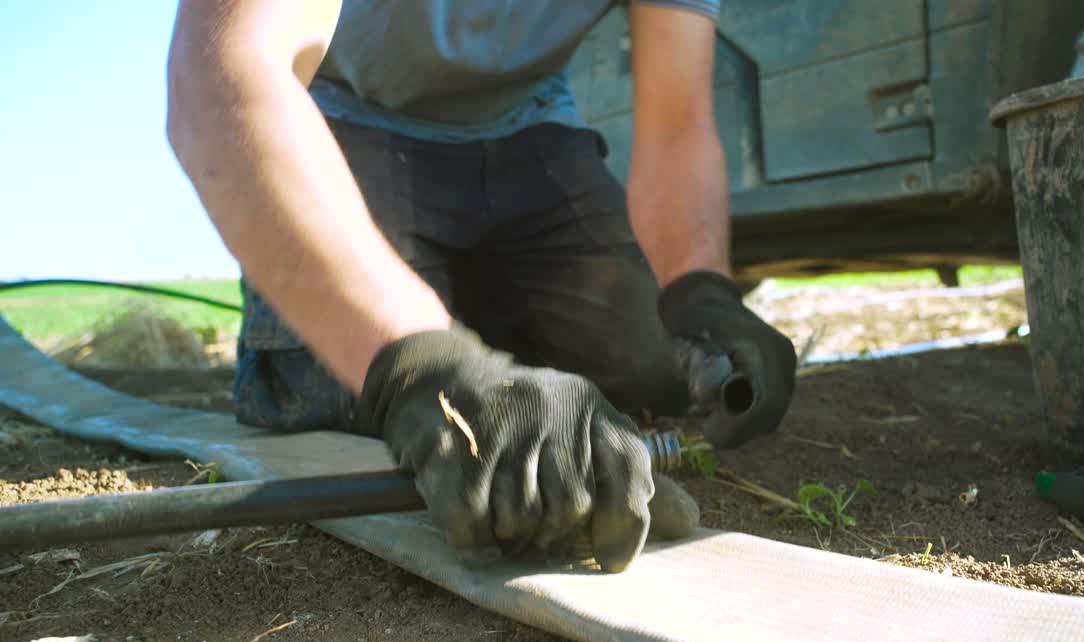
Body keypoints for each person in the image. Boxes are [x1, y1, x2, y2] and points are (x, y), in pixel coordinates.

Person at [165, 0, 797, 573]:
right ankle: (443, 338)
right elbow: (220, 73)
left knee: (660, 362)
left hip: (530, 127)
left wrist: (700, 290)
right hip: (350, 117)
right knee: (344, 390)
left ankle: (476, 337)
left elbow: (676, 121)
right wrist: (420, 365)